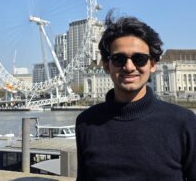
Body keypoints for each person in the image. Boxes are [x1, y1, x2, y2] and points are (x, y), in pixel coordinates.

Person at [76, 11, 196, 181]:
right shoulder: (86, 122)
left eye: (139, 59)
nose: (129, 67)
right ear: (106, 66)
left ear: (153, 64)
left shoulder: (183, 122)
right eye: (119, 59)